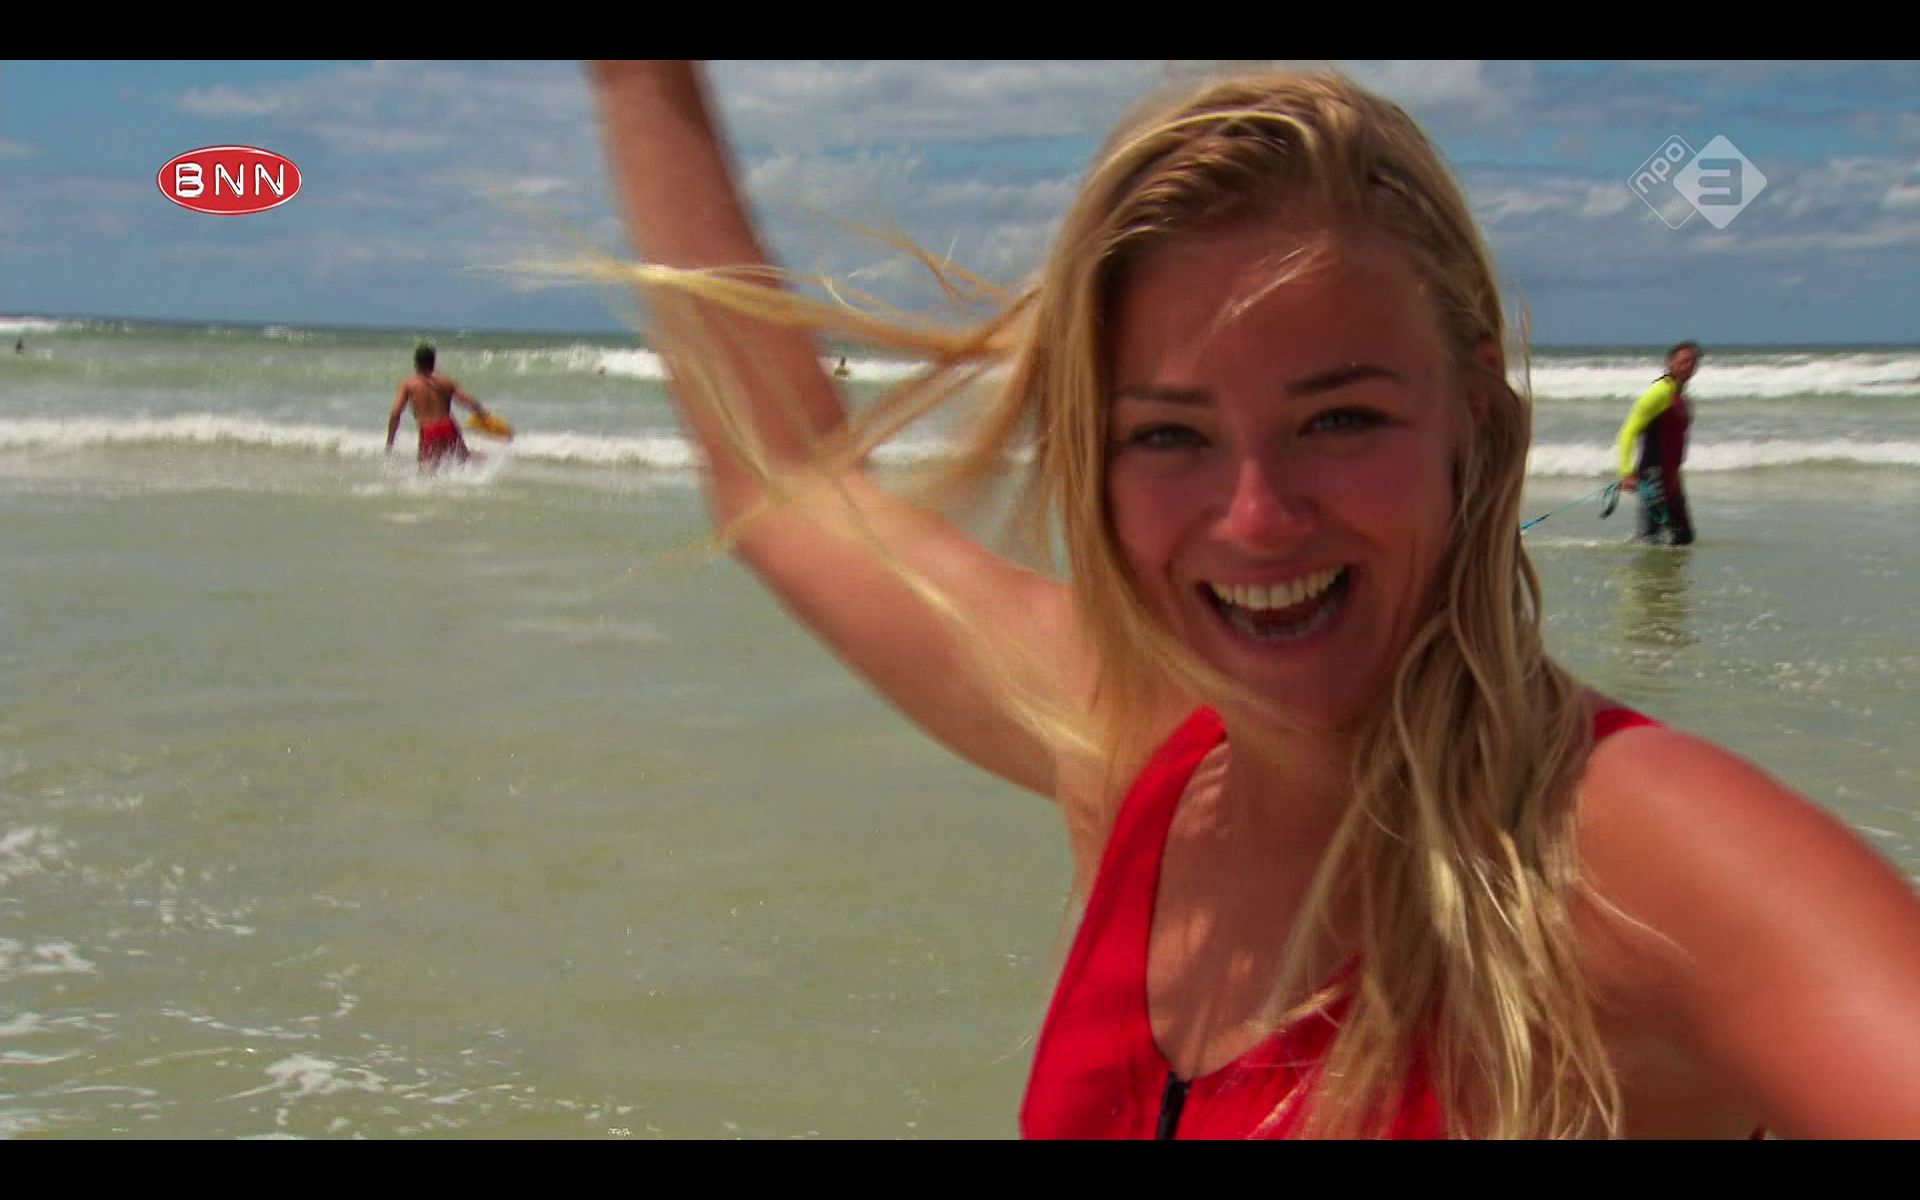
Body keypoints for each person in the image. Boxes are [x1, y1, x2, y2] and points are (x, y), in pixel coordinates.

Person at [586, 61, 1920, 1138]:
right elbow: (791, 493)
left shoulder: (1622, 853)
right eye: (1169, 435)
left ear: (1473, 418)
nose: (1258, 516)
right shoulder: (1135, 744)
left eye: (1340, 418)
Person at [1613, 342, 1700, 545]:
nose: (1688, 366)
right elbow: (1627, 432)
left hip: (1671, 477)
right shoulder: (1659, 392)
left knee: (1683, 538)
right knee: (1651, 540)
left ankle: (1667, 569)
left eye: (1692, 362)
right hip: (1653, 475)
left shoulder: (1679, 396)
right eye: (1683, 361)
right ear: (1671, 364)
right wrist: (1626, 472)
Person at [385, 343, 491, 470]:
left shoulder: (409, 384)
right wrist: (482, 412)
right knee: (465, 464)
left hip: (429, 431)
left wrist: (390, 442)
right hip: (449, 427)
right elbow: (467, 400)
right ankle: (491, 465)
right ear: (433, 362)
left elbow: (395, 413)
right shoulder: (446, 381)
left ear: (416, 363)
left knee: (426, 473)